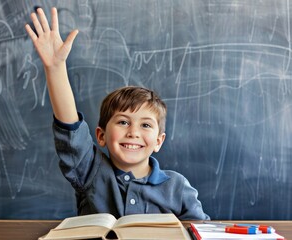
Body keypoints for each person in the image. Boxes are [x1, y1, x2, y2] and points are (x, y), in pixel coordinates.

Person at [25, 7, 210, 220]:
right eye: (123, 122)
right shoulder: (91, 172)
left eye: (146, 125)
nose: (133, 132)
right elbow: (70, 132)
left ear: (159, 141)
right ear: (101, 135)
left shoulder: (177, 187)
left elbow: (198, 232)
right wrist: (55, 68)